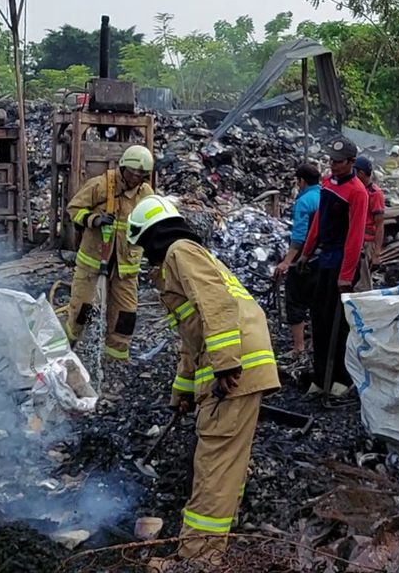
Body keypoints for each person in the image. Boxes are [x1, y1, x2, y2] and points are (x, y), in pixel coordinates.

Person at [126, 195, 279, 568]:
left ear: (152, 236)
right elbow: (193, 337)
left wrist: (226, 365)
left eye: (144, 245)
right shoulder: (184, 258)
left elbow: (217, 304)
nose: (145, 254)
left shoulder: (180, 252)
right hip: (242, 366)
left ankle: (198, 560)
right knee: (227, 462)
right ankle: (218, 541)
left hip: (235, 369)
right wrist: (183, 389)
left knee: (213, 466)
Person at [63, 145, 154, 363]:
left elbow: (152, 223)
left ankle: (116, 358)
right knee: (82, 309)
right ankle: (67, 350)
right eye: (132, 173)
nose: (135, 178)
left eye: (140, 175)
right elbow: (74, 209)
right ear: (123, 168)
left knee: (125, 315)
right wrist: (94, 219)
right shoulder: (101, 185)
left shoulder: (145, 195)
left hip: (126, 267)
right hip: (93, 262)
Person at [297, 137, 368, 396]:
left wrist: (346, 275)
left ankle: (341, 376)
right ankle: (319, 374)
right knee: (319, 318)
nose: (334, 166)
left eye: (339, 162)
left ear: (351, 162)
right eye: (332, 162)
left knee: (339, 324)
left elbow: (355, 236)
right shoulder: (327, 184)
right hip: (324, 259)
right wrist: (306, 252)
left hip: (341, 262)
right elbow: (318, 221)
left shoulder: (358, 192)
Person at [273, 162, 321, 357]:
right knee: (319, 303)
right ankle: (318, 345)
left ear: (301, 181)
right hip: (325, 259)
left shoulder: (304, 201)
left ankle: (299, 347)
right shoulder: (326, 196)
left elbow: (299, 237)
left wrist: (286, 262)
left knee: (295, 301)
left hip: (305, 260)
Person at [353, 157, 386, 289]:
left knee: (363, 284)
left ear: (361, 173)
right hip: (356, 240)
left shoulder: (375, 193)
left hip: (367, 243)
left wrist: (376, 254)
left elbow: (379, 225)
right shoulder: (357, 190)